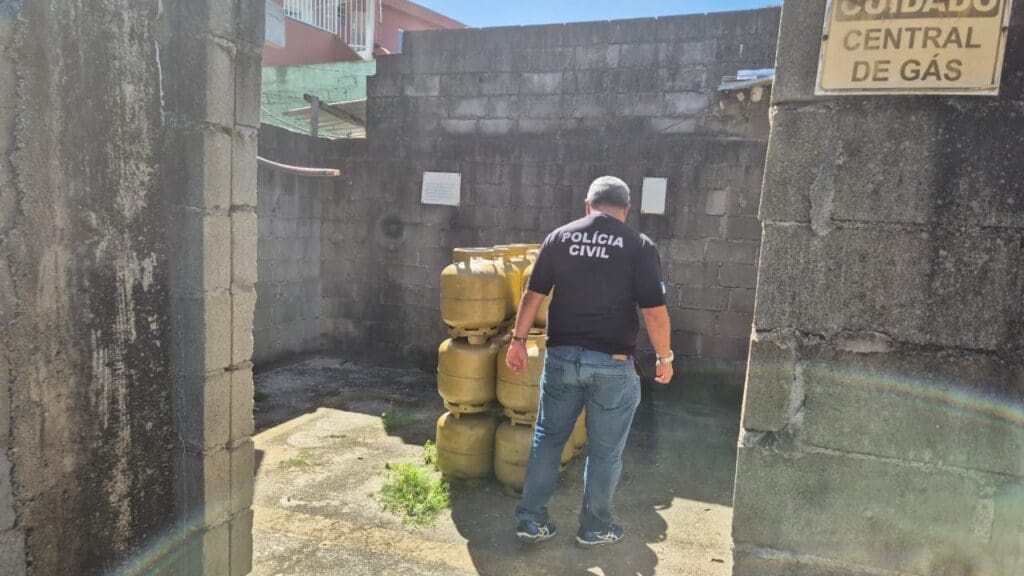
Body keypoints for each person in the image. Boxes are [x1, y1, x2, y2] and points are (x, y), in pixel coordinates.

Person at [506, 176, 674, 549]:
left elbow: (532, 295)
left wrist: (517, 342)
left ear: (588, 204)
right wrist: (665, 357)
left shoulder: (559, 237)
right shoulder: (639, 245)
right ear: (626, 209)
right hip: (613, 365)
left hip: (562, 358)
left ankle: (531, 521)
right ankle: (594, 528)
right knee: (604, 451)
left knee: (548, 440)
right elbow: (655, 312)